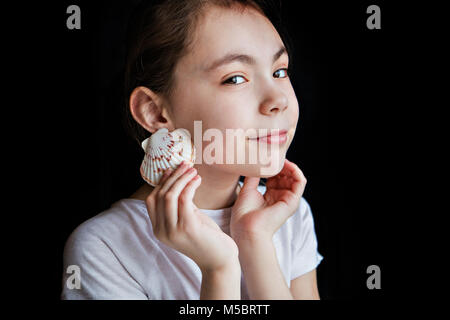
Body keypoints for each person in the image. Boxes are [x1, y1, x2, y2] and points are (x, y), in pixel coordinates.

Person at [61, 0, 323, 300]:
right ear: (155, 113)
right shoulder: (105, 247)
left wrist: (255, 241)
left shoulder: (288, 216)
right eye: (235, 78)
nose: (278, 99)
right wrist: (218, 270)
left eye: (279, 71)